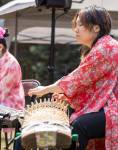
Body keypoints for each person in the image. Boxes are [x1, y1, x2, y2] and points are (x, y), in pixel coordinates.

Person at [28, 5, 118, 150]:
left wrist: (45, 89)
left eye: (80, 25)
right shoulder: (102, 46)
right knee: (71, 124)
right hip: (106, 105)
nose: (75, 30)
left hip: (113, 108)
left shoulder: (106, 48)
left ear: (96, 28)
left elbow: (76, 79)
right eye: (75, 25)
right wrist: (67, 96)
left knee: (78, 126)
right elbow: (87, 84)